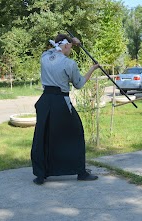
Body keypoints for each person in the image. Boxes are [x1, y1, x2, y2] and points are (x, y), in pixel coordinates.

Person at [31, 34, 100, 185]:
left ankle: (41, 174)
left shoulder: (44, 57)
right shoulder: (69, 64)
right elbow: (79, 84)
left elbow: (54, 50)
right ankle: (81, 172)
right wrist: (92, 69)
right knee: (75, 133)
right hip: (60, 101)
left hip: (44, 101)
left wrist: (71, 43)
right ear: (67, 46)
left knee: (43, 135)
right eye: (70, 47)